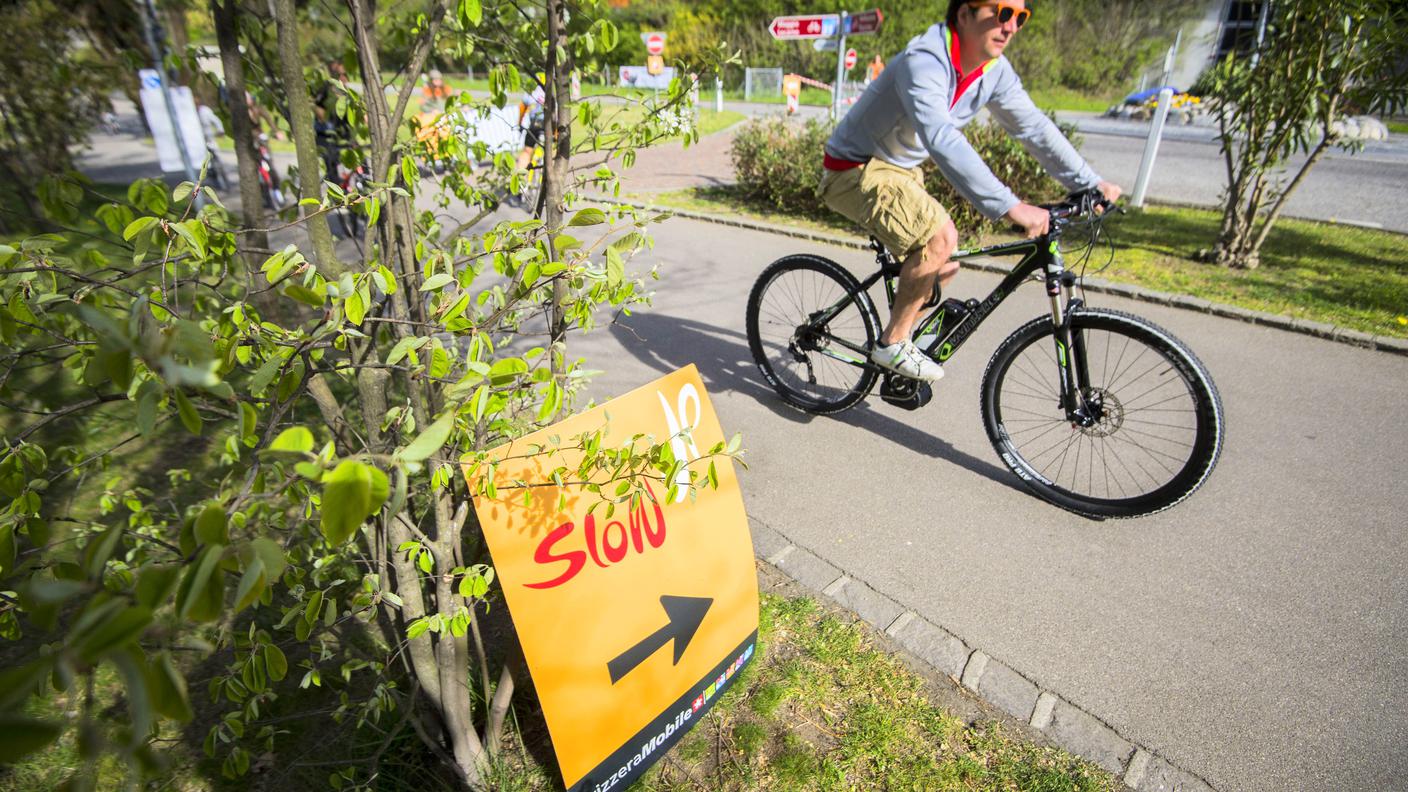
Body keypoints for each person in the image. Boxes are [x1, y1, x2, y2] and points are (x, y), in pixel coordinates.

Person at [819, 0, 1122, 383]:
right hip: (854, 167)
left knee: (947, 264)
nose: (1011, 26)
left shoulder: (993, 71)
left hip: (899, 169)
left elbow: (1032, 128)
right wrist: (1011, 206)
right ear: (964, 14)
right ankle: (892, 344)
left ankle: (899, 339)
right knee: (940, 238)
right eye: (1003, 13)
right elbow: (941, 138)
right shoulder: (925, 60)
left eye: (1021, 17)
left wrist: (1088, 183)